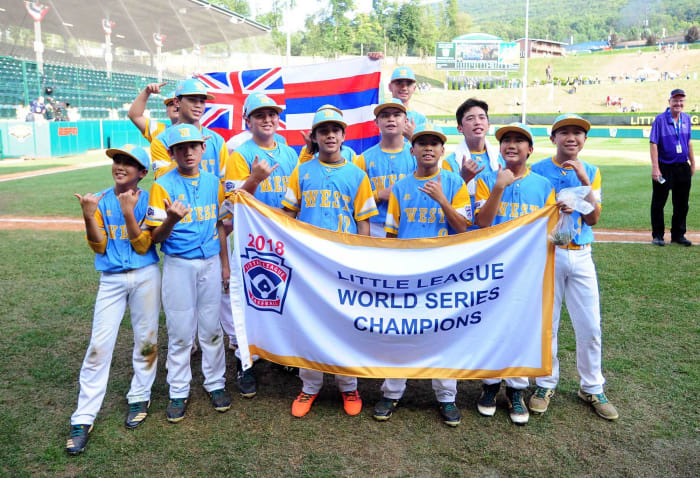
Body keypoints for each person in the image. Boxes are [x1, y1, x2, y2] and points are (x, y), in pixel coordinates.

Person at [281, 107, 378, 418]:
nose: (330, 135)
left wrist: (361, 259)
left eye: (336, 130)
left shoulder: (357, 175)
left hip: (343, 262)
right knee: (309, 323)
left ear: (344, 135)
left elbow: (363, 222)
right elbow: (288, 215)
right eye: (324, 131)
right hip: (308, 262)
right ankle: (309, 386)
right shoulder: (303, 171)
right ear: (314, 137)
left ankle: (348, 386)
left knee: (344, 323)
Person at [66, 145, 161, 455]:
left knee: (146, 340)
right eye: (118, 161)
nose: (121, 166)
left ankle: (139, 396)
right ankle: (83, 416)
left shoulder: (150, 199)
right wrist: (87, 215)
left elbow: (144, 243)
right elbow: (99, 247)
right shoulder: (99, 198)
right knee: (98, 345)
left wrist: (129, 211)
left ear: (142, 173)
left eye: (129, 163)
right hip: (111, 279)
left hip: (145, 274)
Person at [374, 123, 470, 426]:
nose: (428, 148)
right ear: (411, 150)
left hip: (444, 271)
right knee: (400, 332)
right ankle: (392, 391)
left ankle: (446, 396)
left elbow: (464, 228)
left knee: (445, 333)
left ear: (442, 151)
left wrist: (442, 198)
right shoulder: (401, 187)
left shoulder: (454, 182)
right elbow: (390, 234)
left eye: (434, 144)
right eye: (422, 143)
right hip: (408, 271)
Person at [528, 114, 619, 421]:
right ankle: (544, 383)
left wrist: (583, 181)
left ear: (584, 140)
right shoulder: (538, 170)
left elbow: (593, 218)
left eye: (577, 133)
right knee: (548, 324)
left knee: (590, 325)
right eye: (564, 132)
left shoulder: (591, 171)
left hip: (580, 252)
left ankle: (592, 386)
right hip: (548, 253)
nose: (571, 138)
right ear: (553, 138)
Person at [145, 124, 232, 423]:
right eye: (181, 148)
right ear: (171, 153)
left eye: (193, 146)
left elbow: (220, 226)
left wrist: (225, 264)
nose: (188, 152)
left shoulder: (213, 182)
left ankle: (216, 383)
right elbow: (156, 237)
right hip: (178, 263)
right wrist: (170, 219)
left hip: (209, 261)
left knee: (211, 328)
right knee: (181, 331)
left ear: (203, 148)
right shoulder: (162, 185)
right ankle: (178, 390)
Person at [473, 123, 556, 425]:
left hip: (529, 268)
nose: (511, 144)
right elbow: (482, 222)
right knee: (492, 323)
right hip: (493, 267)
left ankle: (517, 389)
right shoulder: (486, 178)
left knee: (523, 326)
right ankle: (491, 384)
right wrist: (498, 186)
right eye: (506, 140)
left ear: (530, 150)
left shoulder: (544, 185)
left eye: (519, 140)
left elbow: (551, 228)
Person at [223, 92, 299, 397]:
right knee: (246, 301)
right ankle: (246, 361)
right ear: (248, 121)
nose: (267, 119)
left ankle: (280, 354)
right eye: (260, 115)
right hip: (249, 239)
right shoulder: (239, 155)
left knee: (282, 296)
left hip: (281, 238)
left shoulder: (290, 153)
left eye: (272, 114)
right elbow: (232, 203)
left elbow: (295, 197)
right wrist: (253, 179)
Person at [353, 98, 416, 237]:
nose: (391, 119)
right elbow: (353, 198)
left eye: (396, 115)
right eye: (385, 115)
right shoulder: (364, 158)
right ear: (377, 122)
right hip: (376, 226)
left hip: (409, 223)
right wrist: (378, 195)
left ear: (406, 121)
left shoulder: (415, 155)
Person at [441, 98, 504, 227]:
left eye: (482, 117)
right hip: (463, 231)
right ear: (460, 128)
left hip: (494, 229)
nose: (477, 122)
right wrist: (462, 179)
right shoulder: (450, 163)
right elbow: (443, 201)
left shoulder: (500, 159)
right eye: (470, 119)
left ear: (488, 125)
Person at [150, 78, 229, 180]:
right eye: (192, 100)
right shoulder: (161, 141)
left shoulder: (217, 140)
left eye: (202, 101)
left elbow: (225, 181)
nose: (198, 105)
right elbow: (161, 179)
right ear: (177, 102)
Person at [650, 89, 695, 246]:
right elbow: (653, 143)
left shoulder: (687, 119)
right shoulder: (660, 120)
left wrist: (693, 164)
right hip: (664, 167)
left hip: (682, 167)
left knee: (682, 203)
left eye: (681, 100)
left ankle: (678, 235)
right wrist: (656, 168)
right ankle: (658, 235)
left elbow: (689, 142)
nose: (678, 103)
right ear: (669, 101)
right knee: (659, 202)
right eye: (675, 100)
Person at [128, 82, 179, 172]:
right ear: (166, 111)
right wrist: (146, 92)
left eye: (179, 102)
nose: (176, 106)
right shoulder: (160, 130)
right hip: (164, 184)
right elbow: (135, 115)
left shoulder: (201, 130)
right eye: (171, 104)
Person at [388, 66, 426, 140]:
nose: (404, 88)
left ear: (414, 88)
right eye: (399, 83)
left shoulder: (421, 119)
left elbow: (428, 148)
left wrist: (413, 137)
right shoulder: (380, 115)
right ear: (390, 87)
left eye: (408, 84)